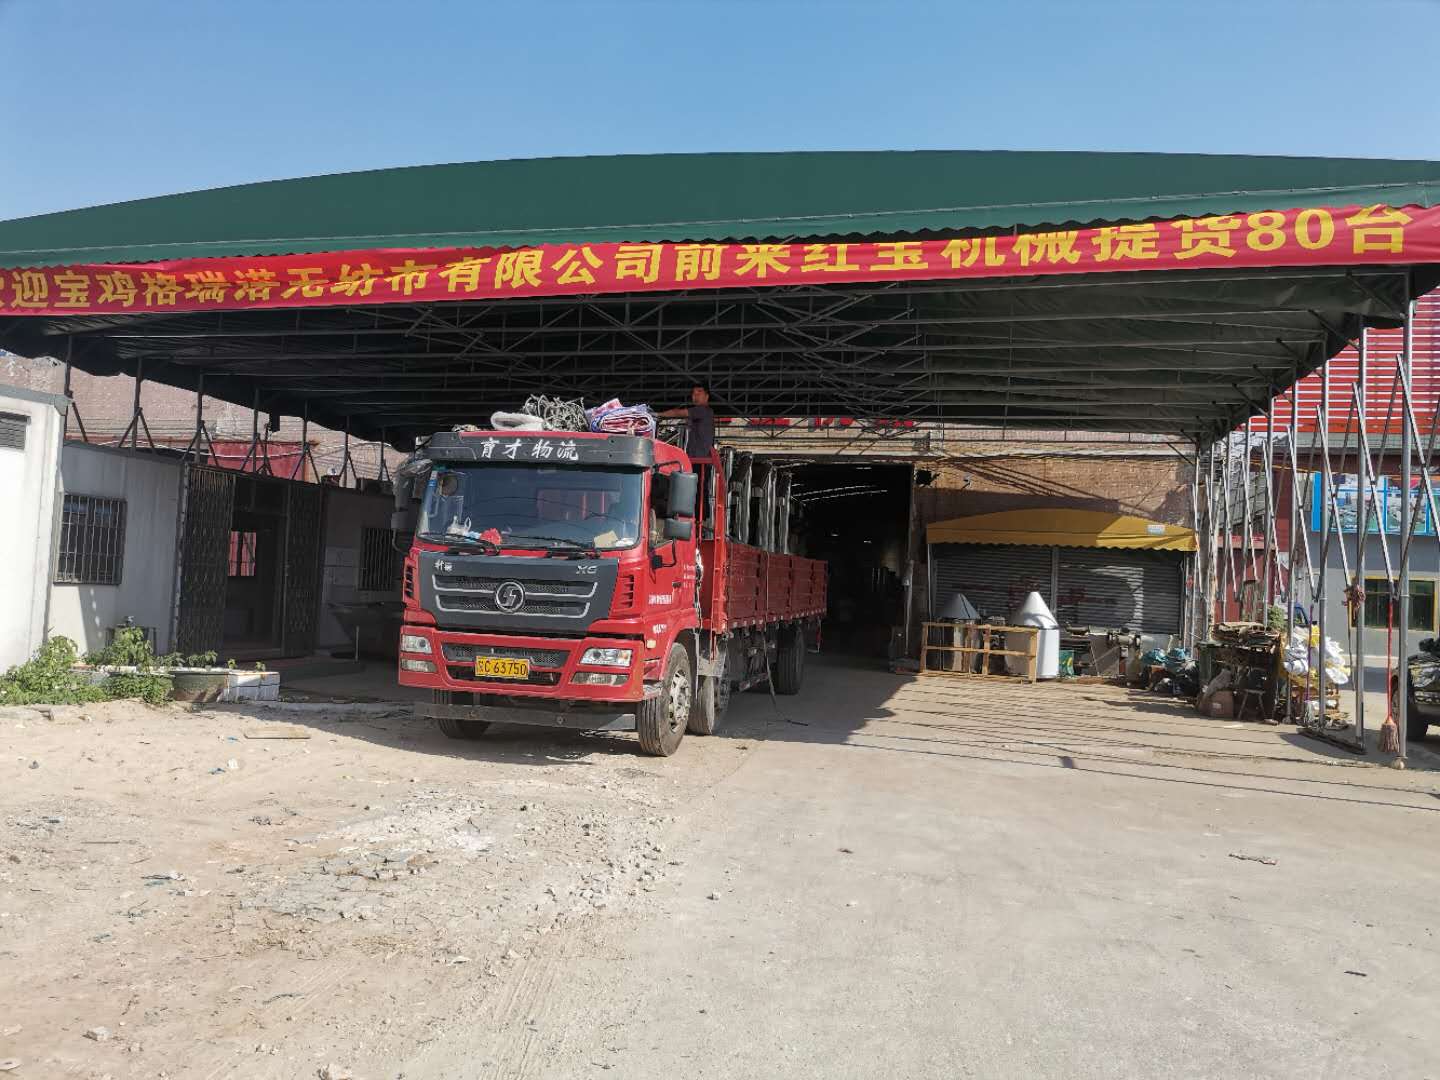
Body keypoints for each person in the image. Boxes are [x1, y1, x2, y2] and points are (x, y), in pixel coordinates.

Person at [660, 384, 715, 459]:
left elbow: (677, 413)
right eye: (693, 394)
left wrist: (658, 414)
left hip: (699, 458)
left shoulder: (703, 410)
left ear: (706, 396)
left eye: (699, 393)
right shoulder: (701, 412)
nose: (696, 396)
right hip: (696, 457)